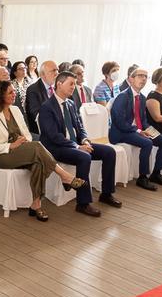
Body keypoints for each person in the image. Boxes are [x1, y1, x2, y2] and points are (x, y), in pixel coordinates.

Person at [0, 81, 85, 221]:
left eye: (14, 91)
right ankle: (64, 176)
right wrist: (12, 146)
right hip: (1, 155)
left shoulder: (16, 110)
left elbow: (28, 134)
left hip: (21, 150)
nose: (14, 95)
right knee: (37, 146)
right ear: (0, 95)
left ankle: (36, 205)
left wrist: (23, 140)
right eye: (10, 93)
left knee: (38, 163)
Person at [39, 71, 122, 217]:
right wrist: (77, 146)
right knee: (84, 156)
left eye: (74, 84)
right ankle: (83, 203)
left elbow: (80, 127)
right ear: (59, 84)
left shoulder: (71, 104)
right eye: (71, 84)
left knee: (109, 152)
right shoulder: (47, 107)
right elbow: (54, 136)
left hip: (76, 144)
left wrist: (84, 140)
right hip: (56, 148)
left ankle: (106, 193)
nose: (73, 87)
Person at [110, 65, 162, 191]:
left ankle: (156, 173)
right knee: (147, 143)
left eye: (146, 76)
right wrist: (139, 131)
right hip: (122, 132)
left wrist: (152, 131)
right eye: (140, 76)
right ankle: (142, 177)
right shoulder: (122, 96)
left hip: (138, 129)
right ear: (131, 79)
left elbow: (143, 121)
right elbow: (119, 122)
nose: (144, 79)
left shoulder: (143, 98)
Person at [25, 60, 58, 134]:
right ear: (43, 75)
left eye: (57, 70)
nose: (56, 73)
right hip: (42, 131)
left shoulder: (58, 87)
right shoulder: (33, 90)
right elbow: (36, 114)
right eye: (53, 71)